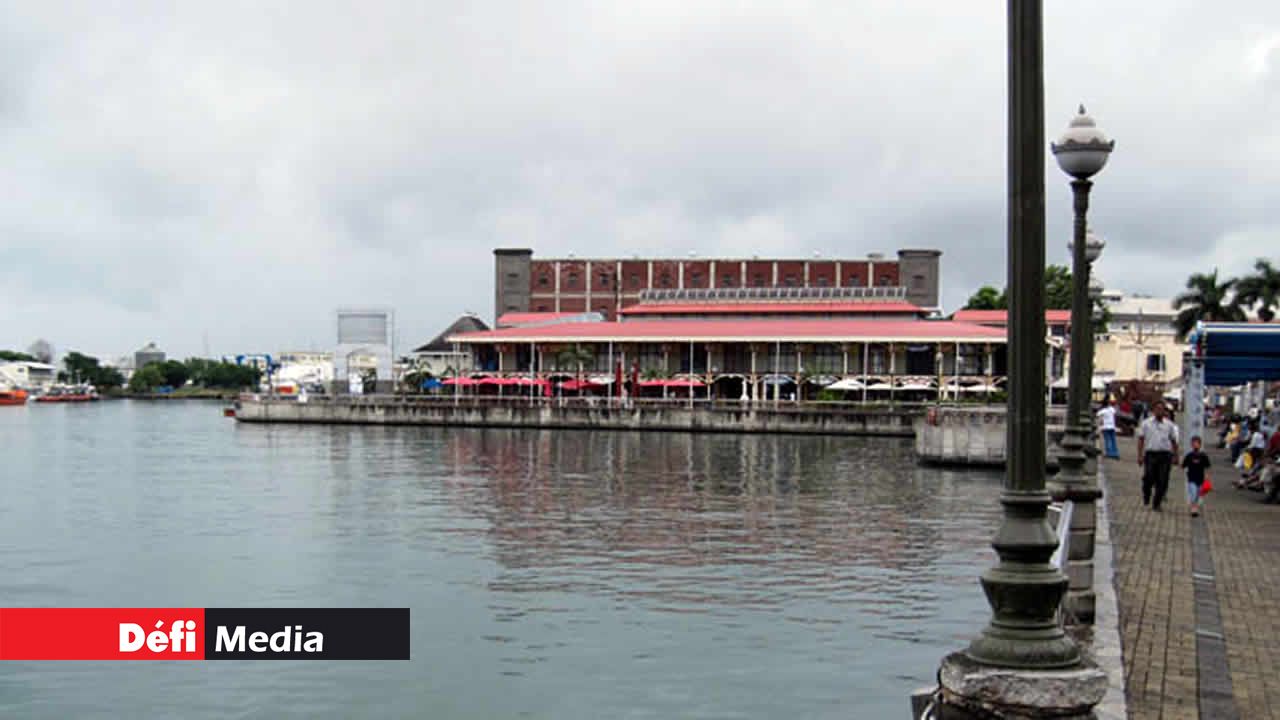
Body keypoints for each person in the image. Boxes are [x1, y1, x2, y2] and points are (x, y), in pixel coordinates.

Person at [1137, 401, 1180, 511]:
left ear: (1164, 411)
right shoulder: (1146, 423)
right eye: (1157, 409)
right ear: (1153, 410)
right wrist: (1140, 455)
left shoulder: (1169, 425)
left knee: (1162, 480)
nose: (1159, 411)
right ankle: (1146, 494)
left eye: (1161, 409)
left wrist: (1176, 456)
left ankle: (1157, 503)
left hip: (1165, 455)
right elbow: (1141, 439)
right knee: (1148, 477)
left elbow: (1174, 441)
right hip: (1151, 454)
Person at [1181, 435, 1211, 517]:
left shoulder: (1203, 456)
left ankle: (1194, 507)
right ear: (1191, 445)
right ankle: (1193, 509)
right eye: (1193, 443)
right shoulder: (1189, 455)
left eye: (1197, 443)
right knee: (1193, 493)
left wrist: (1207, 476)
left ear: (1200, 444)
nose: (1195, 445)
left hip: (1200, 478)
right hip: (1191, 478)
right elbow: (1183, 465)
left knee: (1197, 494)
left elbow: (1207, 466)